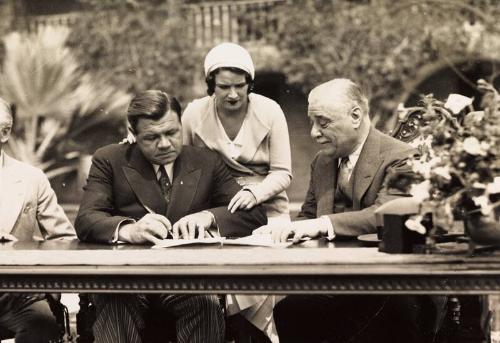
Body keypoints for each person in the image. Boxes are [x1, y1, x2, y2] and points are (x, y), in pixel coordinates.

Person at [254, 78, 445, 343]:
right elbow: (307, 217)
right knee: (290, 310)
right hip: (336, 284)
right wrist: (280, 233)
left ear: (355, 116)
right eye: (312, 122)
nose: (313, 133)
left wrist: (323, 224)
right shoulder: (322, 162)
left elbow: (384, 213)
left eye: (323, 122)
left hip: (390, 287)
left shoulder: (402, 157)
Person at [75, 90, 267, 343]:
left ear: (180, 125)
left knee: (205, 302)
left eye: (172, 133)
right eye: (151, 137)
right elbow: (86, 219)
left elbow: (254, 215)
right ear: (132, 134)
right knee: (116, 300)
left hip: (186, 280)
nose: (164, 144)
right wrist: (128, 230)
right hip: (128, 279)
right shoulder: (109, 159)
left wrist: (208, 216)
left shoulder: (206, 161)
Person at [181, 42, 292, 342]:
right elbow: (180, 162)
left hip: (268, 211)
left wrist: (256, 194)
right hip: (217, 211)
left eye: (240, 86)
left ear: (250, 84)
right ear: (211, 86)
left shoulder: (270, 111)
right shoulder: (193, 115)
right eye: (223, 87)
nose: (232, 94)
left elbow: (283, 172)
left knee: (256, 273)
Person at [0, 97, 76, 342]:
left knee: (42, 323)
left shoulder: (31, 178)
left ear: (5, 132)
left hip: (19, 294)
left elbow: (64, 238)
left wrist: (50, 291)